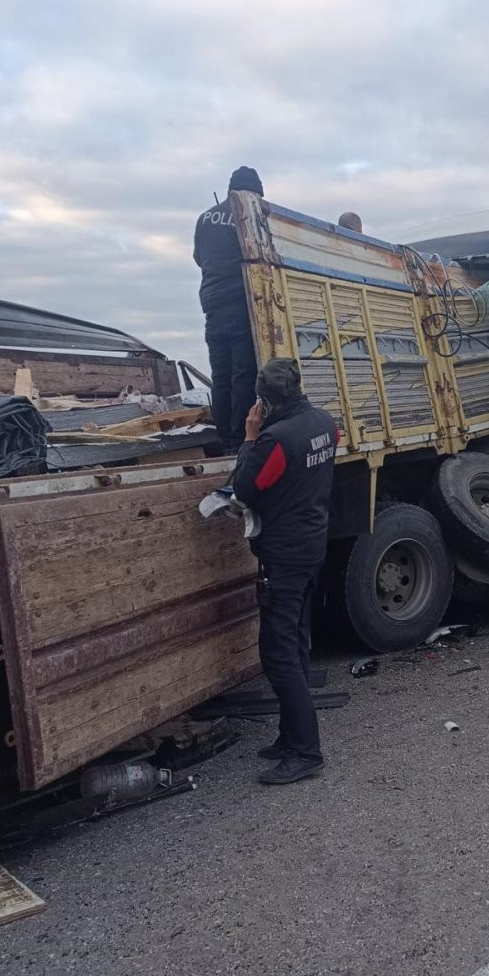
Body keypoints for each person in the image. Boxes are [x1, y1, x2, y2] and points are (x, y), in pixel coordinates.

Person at [232, 358, 338, 785]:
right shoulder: (325, 423)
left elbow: (244, 487)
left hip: (284, 555)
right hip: (312, 544)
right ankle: (289, 735)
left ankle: (306, 752)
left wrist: (249, 438)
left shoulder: (275, 439)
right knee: (294, 641)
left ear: (264, 401)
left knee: (277, 653)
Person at [193, 166, 263, 451]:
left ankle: (222, 437)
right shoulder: (248, 214)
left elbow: (199, 258)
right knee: (244, 374)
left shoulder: (204, 218)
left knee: (220, 376)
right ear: (252, 192)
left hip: (212, 304)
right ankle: (238, 441)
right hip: (239, 302)